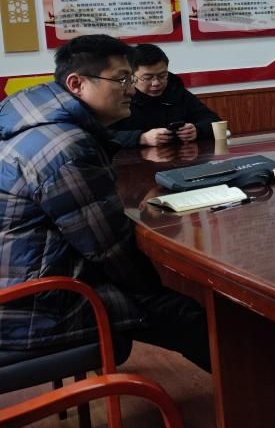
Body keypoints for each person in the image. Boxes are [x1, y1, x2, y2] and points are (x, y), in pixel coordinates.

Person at [0, 34, 210, 370]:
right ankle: (261, 394)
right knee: (187, 315)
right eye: (122, 79)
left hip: (24, 281)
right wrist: (158, 284)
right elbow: (109, 249)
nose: (132, 90)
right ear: (77, 84)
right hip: (35, 306)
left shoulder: (40, 124)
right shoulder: (65, 148)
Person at [109, 43, 222, 147]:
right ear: (132, 76)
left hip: (180, 158)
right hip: (132, 160)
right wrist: (141, 138)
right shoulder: (120, 97)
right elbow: (103, 136)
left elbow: (215, 121)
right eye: (148, 78)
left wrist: (197, 130)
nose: (156, 83)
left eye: (162, 76)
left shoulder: (176, 91)